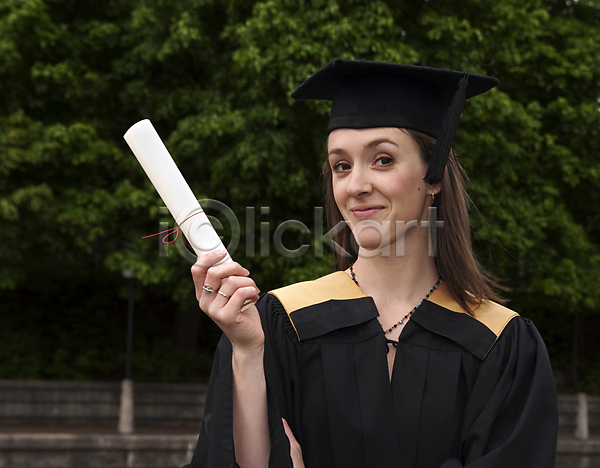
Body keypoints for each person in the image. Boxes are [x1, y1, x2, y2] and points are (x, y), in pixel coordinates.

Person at [184, 60, 559, 468]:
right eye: (341, 166)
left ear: (433, 177)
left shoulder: (500, 343)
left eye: (383, 160)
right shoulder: (277, 324)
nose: (357, 185)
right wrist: (246, 351)